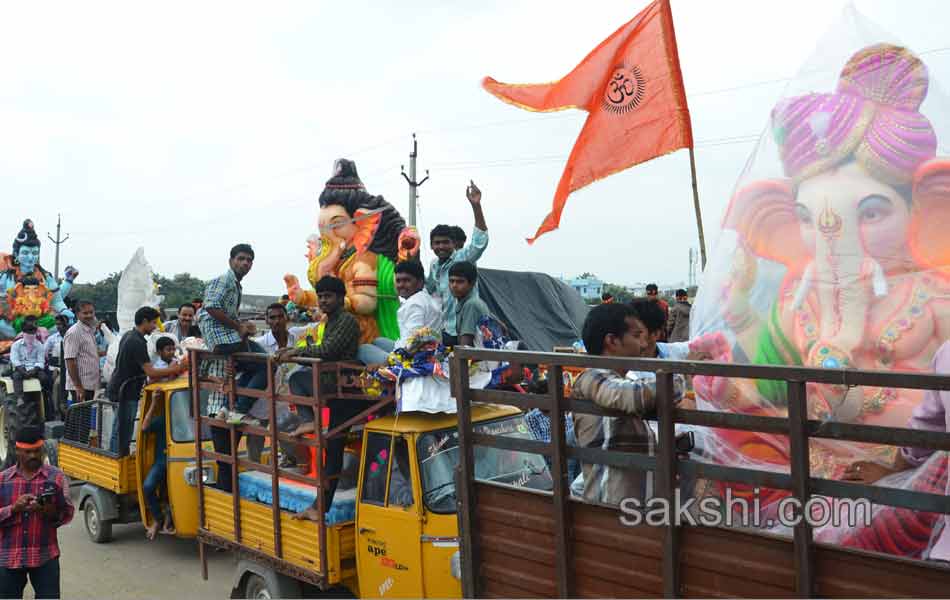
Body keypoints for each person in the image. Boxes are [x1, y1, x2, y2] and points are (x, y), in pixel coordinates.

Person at [572, 303, 684, 506]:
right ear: (612, 341)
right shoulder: (590, 378)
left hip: (633, 505)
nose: (644, 344)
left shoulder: (622, 382)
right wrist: (675, 381)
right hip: (608, 506)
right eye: (637, 335)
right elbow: (633, 397)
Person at [277, 276, 361, 521]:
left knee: (297, 380)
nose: (323, 300)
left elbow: (327, 351)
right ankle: (318, 507)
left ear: (340, 298)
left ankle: (308, 420)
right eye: (320, 296)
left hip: (342, 385)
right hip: (335, 386)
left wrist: (297, 351)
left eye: (328, 296)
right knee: (332, 452)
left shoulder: (346, 320)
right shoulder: (331, 320)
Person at [0, 426, 74, 599]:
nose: (33, 456)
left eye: (36, 451)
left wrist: (49, 512)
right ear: (17, 450)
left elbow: (67, 513)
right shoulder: (3, 480)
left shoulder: (56, 477)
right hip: (9, 556)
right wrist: (13, 508)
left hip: (45, 556)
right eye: (27, 452)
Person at [197, 244, 267, 426]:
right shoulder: (223, 280)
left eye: (249, 260)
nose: (245, 263)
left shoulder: (236, 285)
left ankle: (229, 409)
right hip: (220, 337)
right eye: (241, 258)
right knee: (265, 362)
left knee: (259, 365)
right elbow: (211, 306)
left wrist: (243, 327)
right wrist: (239, 327)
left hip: (227, 336)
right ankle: (238, 410)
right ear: (231, 261)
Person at [108, 307, 185, 457]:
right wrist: (176, 369)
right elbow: (151, 371)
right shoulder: (137, 342)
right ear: (144, 321)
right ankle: (117, 464)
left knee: (119, 430)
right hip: (125, 392)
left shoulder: (130, 335)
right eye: (153, 323)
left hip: (120, 388)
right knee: (122, 431)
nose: (155, 327)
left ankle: (116, 460)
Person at [426, 180, 489, 347]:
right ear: (431, 246)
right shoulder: (434, 266)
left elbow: (480, 242)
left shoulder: (463, 258)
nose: (441, 247)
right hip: (447, 330)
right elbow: (427, 289)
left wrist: (476, 206)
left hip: (469, 330)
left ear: (453, 243)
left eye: (445, 242)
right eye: (437, 243)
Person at [358, 261, 442, 365]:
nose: (401, 285)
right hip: (421, 350)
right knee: (378, 341)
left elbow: (414, 343)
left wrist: (387, 364)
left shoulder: (414, 304)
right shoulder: (425, 298)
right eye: (398, 281)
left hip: (413, 359)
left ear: (420, 282)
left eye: (407, 280)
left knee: (363, 349)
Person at [140, 398, 174, 540]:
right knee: (148, 486)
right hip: (162, 462)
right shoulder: (164, 420)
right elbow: (144, 427)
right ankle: (159, 519)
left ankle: (168, 519)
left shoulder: (190, 419)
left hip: (180, 462)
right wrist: (153, 403)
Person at [9, 317, 52, 428]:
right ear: (23, 332)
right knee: (17, 377)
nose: (30, 334)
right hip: (21, 368)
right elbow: (14, 360)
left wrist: (34, 371)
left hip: (34, 368)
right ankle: (19, 398)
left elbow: (40, 361)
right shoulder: (16, 345)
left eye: (32, 331)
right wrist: (23, 371)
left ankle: (46, 395)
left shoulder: (39, 345)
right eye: (28, 331)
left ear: (35, 332)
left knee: (44, 377)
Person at [449, 261, 494, 347]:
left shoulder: (471, 305)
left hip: (481, 359)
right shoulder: (468, 302)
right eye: (451, 281)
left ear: (472, 283)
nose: (454, 285)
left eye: (460, 282)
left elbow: (465, 346)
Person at [63, 300, 100, 405]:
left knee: (85, 418)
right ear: (77, 314)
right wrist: (78, 387)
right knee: (79, 419)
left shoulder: (89, 329)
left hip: (90, 384)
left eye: (91, 312)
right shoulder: (74, 332)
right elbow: (70, 361)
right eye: (85, 313)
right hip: (81, 386)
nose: (89, 315)